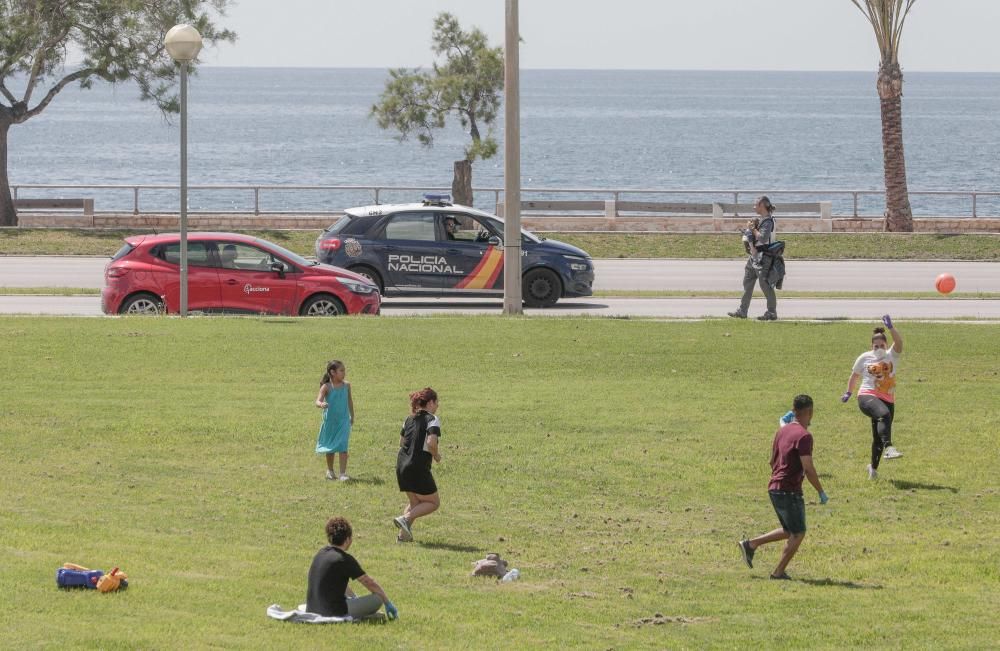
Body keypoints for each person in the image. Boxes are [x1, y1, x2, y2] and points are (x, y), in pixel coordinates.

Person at [738, 394, 828, 580]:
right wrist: (820, 491)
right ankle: (778, 572)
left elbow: (772, 461)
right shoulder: (804, 436)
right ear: (810, 412)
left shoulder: (782, 431)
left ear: (793, 411)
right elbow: (809, 469)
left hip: (774, 486)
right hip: (789, 490)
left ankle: (751, 545)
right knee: (798, 533)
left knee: (789, 529)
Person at [841, 315, 904, 480]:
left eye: (882, 345)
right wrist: (848, 392)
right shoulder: (864, 357)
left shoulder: (892, 355)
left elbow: (899, 343)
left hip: (888, 398)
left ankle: (873, 470)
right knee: (884, 415)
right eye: (875, 346)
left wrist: (891, 328)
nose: (879, 348)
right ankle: (889, 448)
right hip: (867, 396)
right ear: (871, 346)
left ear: (886, 344)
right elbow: (854, 376)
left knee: (878, 438)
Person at [305, 516, 398, 620]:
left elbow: (333, 581)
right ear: (348, 539)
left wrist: (354, 598)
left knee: (351, 598)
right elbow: (368, 582)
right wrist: (387, 602)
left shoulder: (320, 553)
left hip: (312, 608)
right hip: (334, 611)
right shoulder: (344, 559)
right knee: (378, 598)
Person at [393, 387, 442, 542]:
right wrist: (436, 455)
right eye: (436, 402)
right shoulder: (432, 419)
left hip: (401, 465)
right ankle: (405, 518)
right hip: (417, 467)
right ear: (430, 402)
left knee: (415, 502)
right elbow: (431, 442)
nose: (437, 406)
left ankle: (403, 537)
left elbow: (401, 442)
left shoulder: (408, 419)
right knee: (433, 503)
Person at [728, 195, 778, 321]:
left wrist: (752, 229)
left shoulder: (768, 221)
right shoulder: (762, 220)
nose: (754, 207)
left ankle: (771, 313)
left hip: (763, 258)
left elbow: (762, 238)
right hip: (754, 257)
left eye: (756, 205)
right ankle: (742, 311)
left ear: (762, 206)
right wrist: (747, 233)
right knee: (747, 283)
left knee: (765, 285)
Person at [315, 360, 354, 481]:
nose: (344, 373)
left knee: (343, 446)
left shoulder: (346, 385)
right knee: (330, 448)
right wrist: (321, 404)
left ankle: (343, 473)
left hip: (343, 421)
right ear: (332, 372)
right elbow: (317, 401)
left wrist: (352, 416)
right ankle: (330, 471)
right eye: (341, 370)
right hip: (330, 422)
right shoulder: (326, 387)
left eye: (344, 370)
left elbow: (350, 401)